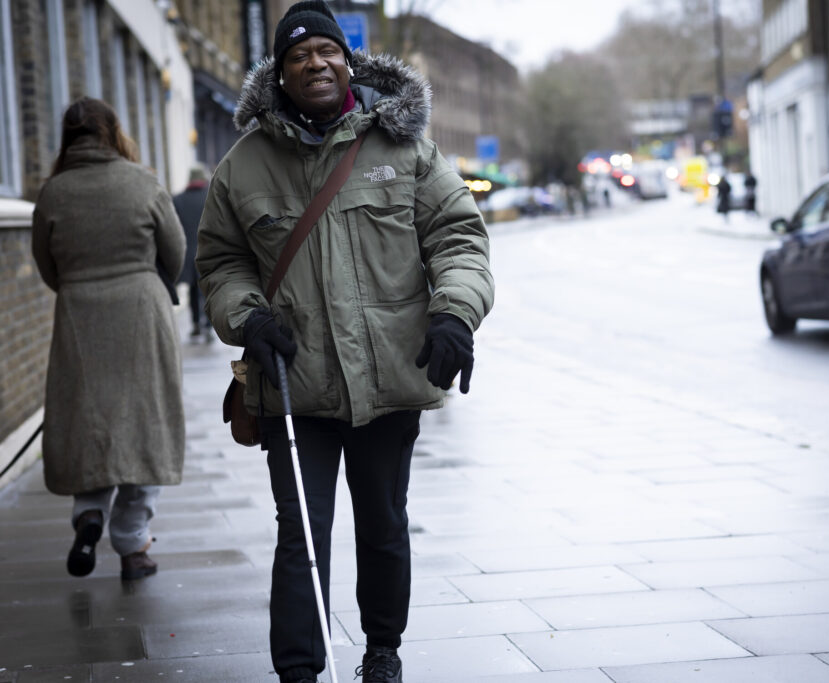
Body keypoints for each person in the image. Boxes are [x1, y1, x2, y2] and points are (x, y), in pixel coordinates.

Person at [195, 2, 494, 682]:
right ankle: (299, 670)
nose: (315, 63)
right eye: (299, 55)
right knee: (302, 534)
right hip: (293, 380)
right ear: (281, 74)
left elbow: (458, 237)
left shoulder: (404, 147)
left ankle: (383, 649)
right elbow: (219, 261)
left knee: (385, 524)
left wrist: (454, 313)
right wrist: (248, 316)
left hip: (391, 374)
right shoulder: (243, 166)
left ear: (348, 62)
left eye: (326, 51)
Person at [31, 96, 186, 582]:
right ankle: (133, 544)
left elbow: (46, 265)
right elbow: (176, 252)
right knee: (145, 423)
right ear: (113, 132)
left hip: (79, 315)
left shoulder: (53, 192)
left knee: (90, 423)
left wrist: (80, 288)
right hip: (143, 312)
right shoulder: (142, 183)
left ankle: (90, 514)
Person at [173, 165, 213, 341]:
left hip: (188, 252)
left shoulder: (178, 200)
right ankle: (209, 325)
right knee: (208, 289)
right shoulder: (209, 197)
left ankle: (196, 323)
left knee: (193, 290)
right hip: (209, 251)